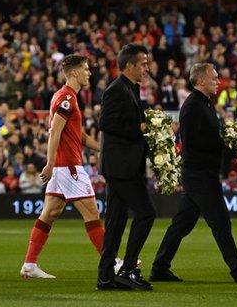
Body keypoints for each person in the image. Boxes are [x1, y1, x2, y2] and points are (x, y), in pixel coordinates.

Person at [151, 62, 237, 284]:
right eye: (214, 78)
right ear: (201, 80)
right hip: (199, 174)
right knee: (220, 221)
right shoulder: (193, 106)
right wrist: (226, 143)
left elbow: (206, 138)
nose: (218, 81)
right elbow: (195, 143)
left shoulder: (204, 103)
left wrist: (229, 142)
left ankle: (159, 267)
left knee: (182, 224)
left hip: (201, 173)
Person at [19, 54, 105, 279]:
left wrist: (104, 150)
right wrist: (49, 163)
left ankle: (29, 264)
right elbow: (54, 132)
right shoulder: (67, 98)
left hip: (63, 167)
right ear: (75, 72)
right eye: (86, 69)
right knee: (92, 212)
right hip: (69, 166)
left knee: (50, 213)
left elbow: (80, 136)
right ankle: (112, 262)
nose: (89, 73)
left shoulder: (66, 97)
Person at [97, 43, 155, 291]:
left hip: (123, 165)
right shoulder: (117, 89)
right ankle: (128, 269)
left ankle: (105, 277)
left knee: (116, 222)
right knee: (146, 213)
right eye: (142, 63)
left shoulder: (130, 89)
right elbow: (106, 123)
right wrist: (140, 129)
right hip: (121, 167)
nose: (146, 67)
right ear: (129, 65)